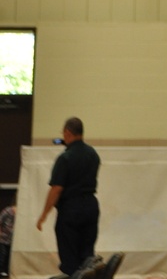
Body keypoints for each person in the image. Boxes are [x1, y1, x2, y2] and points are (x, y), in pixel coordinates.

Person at [36, 118, 101, 277]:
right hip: (91, 207)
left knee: (70, 257)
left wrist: (44, 215)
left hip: (71, 209)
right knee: (87, 256)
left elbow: (56, 189)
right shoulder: (93, 154)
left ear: (67, 132)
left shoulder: (65, 158)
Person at [0, 200, 14, 278]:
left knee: (9, 255)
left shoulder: (22, 214)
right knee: (3, 254)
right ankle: (1, 270)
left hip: (12, 240)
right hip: (3, 238)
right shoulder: (8, 211)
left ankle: (6, 270)